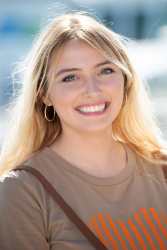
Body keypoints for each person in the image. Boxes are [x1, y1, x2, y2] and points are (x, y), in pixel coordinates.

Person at [0, 12, 167, 250]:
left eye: (105, 71)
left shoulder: (162, 170)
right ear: (45, 95)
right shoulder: (22, 191)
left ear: (125, 80)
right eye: (70, 77)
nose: (92, 90)